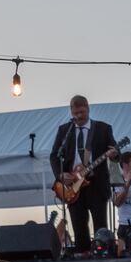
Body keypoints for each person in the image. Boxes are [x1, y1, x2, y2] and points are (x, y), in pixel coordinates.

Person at [49, 95, 120, 249]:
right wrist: (60, 175)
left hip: (96, 185)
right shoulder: (64, 130)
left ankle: (103, 258)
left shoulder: (103, 128)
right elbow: (54, 155)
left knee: (101, 228)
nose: (79, 116)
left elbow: (115, 153)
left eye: (82, 112)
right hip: (73, 186)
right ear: (71, 111)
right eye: (75, 113)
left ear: (88, 108)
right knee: (79, 229)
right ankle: (83, 259)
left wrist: (115, 154)